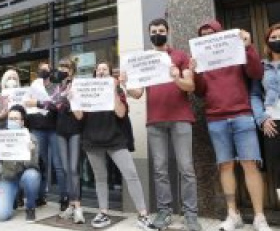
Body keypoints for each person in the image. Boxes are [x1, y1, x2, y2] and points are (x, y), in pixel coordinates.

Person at [120, 18, 201, 231]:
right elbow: (137, 94)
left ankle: (190, 214)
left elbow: (190, 85)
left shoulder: (180, 56)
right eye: (154, 31)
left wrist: (176, 78)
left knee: (186, 168)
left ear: (168, 31)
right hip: (155, 121)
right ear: (149, 35)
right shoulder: (144, 60)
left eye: (161, 30)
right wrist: (126, 84)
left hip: (181, 118)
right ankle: (164, 212)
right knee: (160, 170)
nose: (158, 33)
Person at [193, 20, 272, 231]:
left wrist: (248, 46)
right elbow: (200, 91)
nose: (208, 36)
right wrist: (195, 72)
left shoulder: (237, 50)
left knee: (250, 164)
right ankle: (232, 214)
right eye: (204, 35)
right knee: (225, 165)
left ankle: (259, 217)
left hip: (242, 115)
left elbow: (256, 73)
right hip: (216, 118)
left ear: (220, 33)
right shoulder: (201, 59)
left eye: (211, 32)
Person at [73, 62, 152, 230]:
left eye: (105, 70)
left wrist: (113, 90)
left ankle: (143, 214)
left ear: (110, 74)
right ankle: (103, 212)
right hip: (92, 139)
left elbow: (121, 113)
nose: (101, 72)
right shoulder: (87, 91)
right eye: (99, 70)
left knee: (131, 174)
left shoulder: (117, 90)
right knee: (100, 177)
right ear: (95, 74)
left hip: (115, 138)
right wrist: (73, 99)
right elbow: (79, 116)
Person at [25, 62, 68, 211]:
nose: (43, 70)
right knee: (40, 164)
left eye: (46, 68)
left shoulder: (56, 86)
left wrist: (36, 103)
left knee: (58, 164)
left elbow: (56, 105)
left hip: (54, 129)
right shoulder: (34, 85)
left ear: (51, 71)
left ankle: (64, 197)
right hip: (38, 129)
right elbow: (26, 104)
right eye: (40, 68)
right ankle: (40, 196)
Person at [0, 105, 41, 223]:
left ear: (22, 122)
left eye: (16, 119)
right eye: (10, 119)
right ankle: (14, 197)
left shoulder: (31, 138)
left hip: (25, 176)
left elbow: (33, 165)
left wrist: (30, 151)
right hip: (8, 177)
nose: (12, 121)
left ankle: (30, 207)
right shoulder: (0, 137)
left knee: (32, 176)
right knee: (1, 215)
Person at [250, 23, 280, 204]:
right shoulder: (261, 67)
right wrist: (262, 118)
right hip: (272, 124)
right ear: (267, 42)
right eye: (273, 38)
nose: (277, 40)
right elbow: (254, 95)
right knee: (277, 171)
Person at [55, 57, 85, 224]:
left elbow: (81, 115)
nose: (63, 70)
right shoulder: (56, 87)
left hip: (74, 130)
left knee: (73, 168)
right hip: (60, 131)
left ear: (72, 70)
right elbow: (49, 105)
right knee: (66, 169)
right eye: (61, 67)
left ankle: (78, 207)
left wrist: (72, 97)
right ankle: (71, 205)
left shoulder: (77, 85)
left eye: (66, 67)